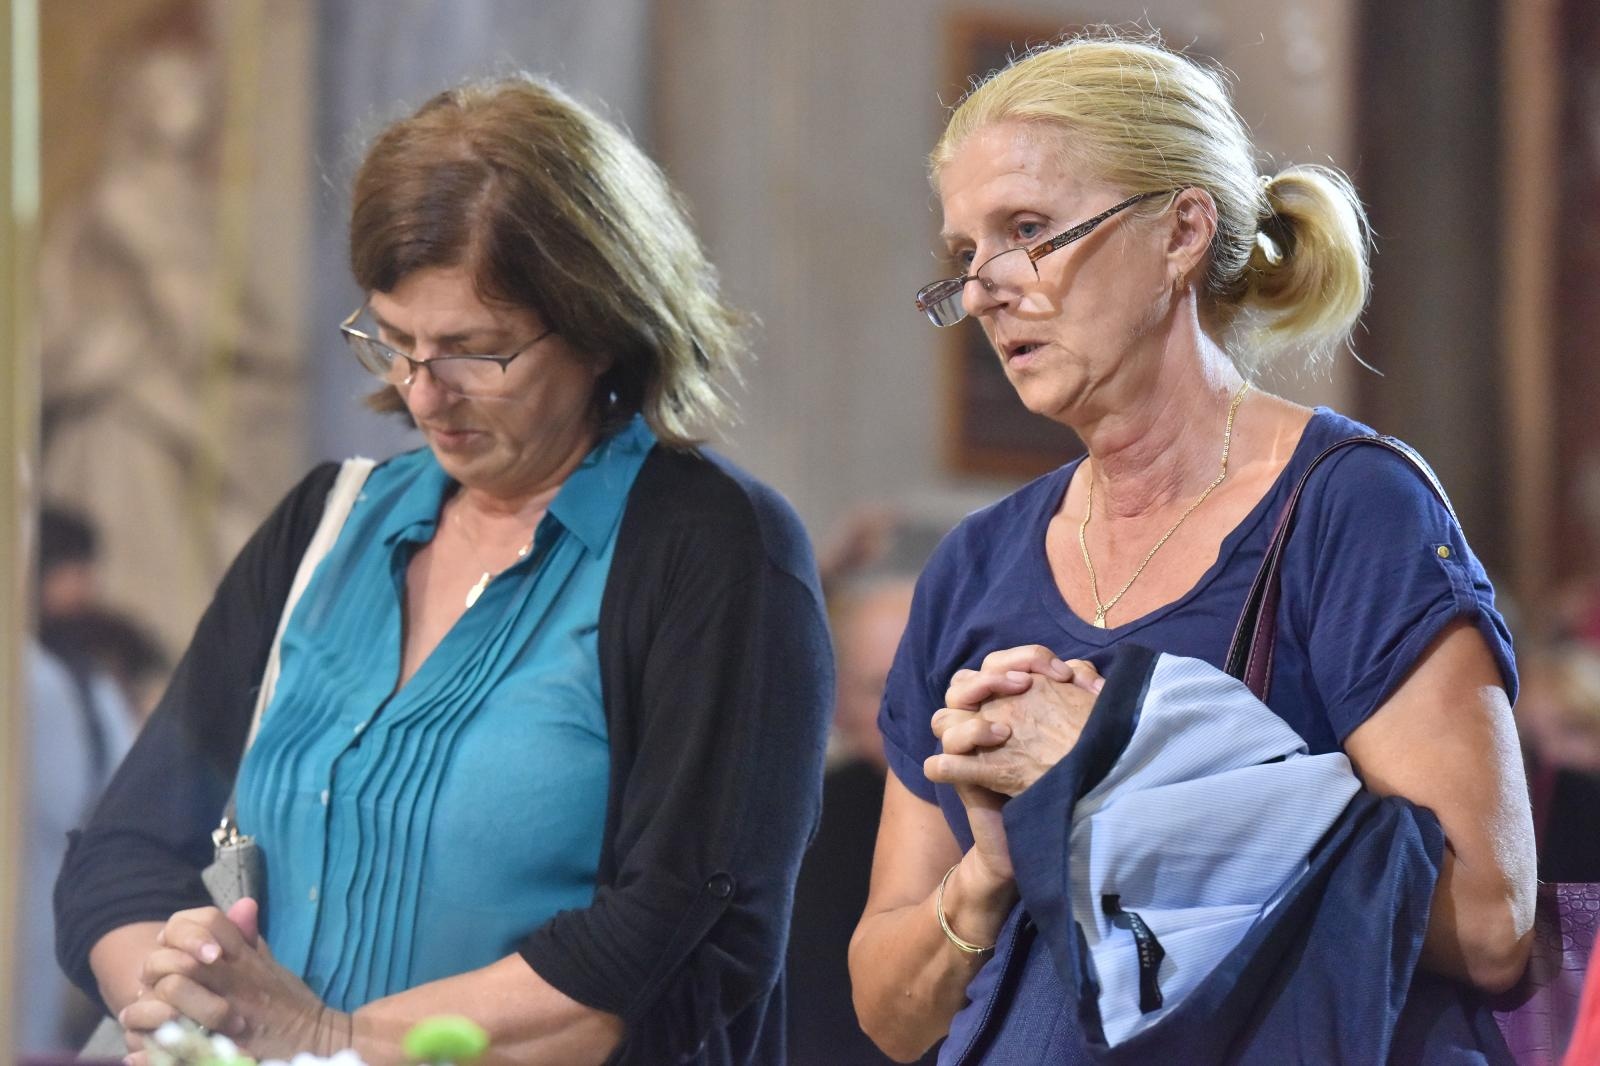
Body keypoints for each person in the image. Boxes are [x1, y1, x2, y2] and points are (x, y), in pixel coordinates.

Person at [54, 74, 833, 1066]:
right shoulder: (327, 523)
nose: (425, 393)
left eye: (474, 350)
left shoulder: (712, 551)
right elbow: (124, 853)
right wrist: (184, 1007)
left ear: (600, 323)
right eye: (394, 339)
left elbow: (678, 946)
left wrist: (331, 1040)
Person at [849, 30, 1534, 1063]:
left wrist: (1113, 765)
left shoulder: (1349, 509)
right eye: (963, 254)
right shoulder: (974, 565)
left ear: (1178, 232)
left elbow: (1488, 922)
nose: (985, 286)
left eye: (1026, 230)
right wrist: (988, 868)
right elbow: (889, 1016)